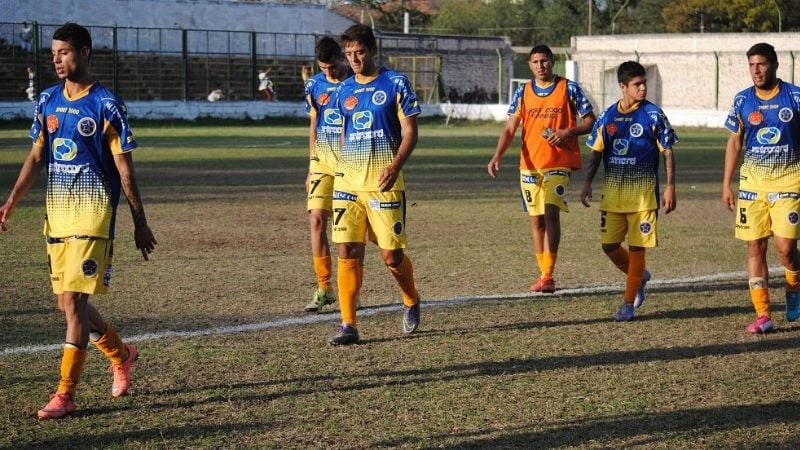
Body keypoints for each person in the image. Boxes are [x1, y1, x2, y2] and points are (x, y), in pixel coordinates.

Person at [0, 23, 157, 419]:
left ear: (84, 53)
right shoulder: (47, 100)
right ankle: (122, 354)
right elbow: (38, 157)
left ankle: (65, 394)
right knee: (66, 305)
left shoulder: (106, 104)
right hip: (57, 214)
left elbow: (125, 170)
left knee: (73, 302)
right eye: (53, 52)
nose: (56, 58)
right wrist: (11, 203)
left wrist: (140, 221)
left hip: (93, 213)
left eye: (64, 52)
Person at [328, 24, 422, 345]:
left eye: (360, 52)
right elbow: (344, 134)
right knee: (347, 249)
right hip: (348, 184)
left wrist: (395, 165)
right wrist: (339, 169)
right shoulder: (343, 90)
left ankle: (410, 299)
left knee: (391, 257)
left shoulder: (395, 82)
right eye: (349, 54)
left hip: (384, 183)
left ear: (372, 50)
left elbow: (410, 130)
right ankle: (348, 324)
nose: (354, 59)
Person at [487, 44, 595, 293]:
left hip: (558, 163)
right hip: (529, 165)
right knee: (536, 220)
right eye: (535, 62)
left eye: (544, 61)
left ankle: (548, 274)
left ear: (552, 62)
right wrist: (497, 155)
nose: (540, 66)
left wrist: (569, 131)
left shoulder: (568, 88)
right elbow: (510, 128)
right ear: (530, 65)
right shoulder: (523, 92)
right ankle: (542, 272)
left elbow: (590, 121)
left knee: (550, 213)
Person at [581, 61, 678, 321]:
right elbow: (596, 152)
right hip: (613, 196)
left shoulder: (654, 115)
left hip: (643, 199)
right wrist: (587, 182)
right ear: (622, 86)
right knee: (609, 246)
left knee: (637, 249)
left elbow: (667, 150)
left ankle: (627, 303)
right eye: (637, 84)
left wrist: (670, 186)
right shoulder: (608, 116)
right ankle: (640, 277)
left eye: (644, 82)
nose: (643, 88)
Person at [722, 42, 800, 334]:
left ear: (775, 64)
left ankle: (794, 287)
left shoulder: (794, 97)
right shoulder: (743, 100)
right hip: (752, 185)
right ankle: (763, 314)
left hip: (789, 181)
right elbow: (734, 142)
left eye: (762, 64)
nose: (756, 70)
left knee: (786, 249)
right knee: (755, 247)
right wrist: (726, 183)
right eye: (752, 65)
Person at [303, 36, 353, 313]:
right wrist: (312, 166)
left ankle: (349, 286)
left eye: (332, 67)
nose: (329, 73)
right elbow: (313, 125)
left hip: (352, 166)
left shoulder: (357, 84)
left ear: (342, 58)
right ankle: (324, 287)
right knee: (317, 220)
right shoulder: (314, 85)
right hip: (322, 163)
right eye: (324, 68)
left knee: (349, 232)